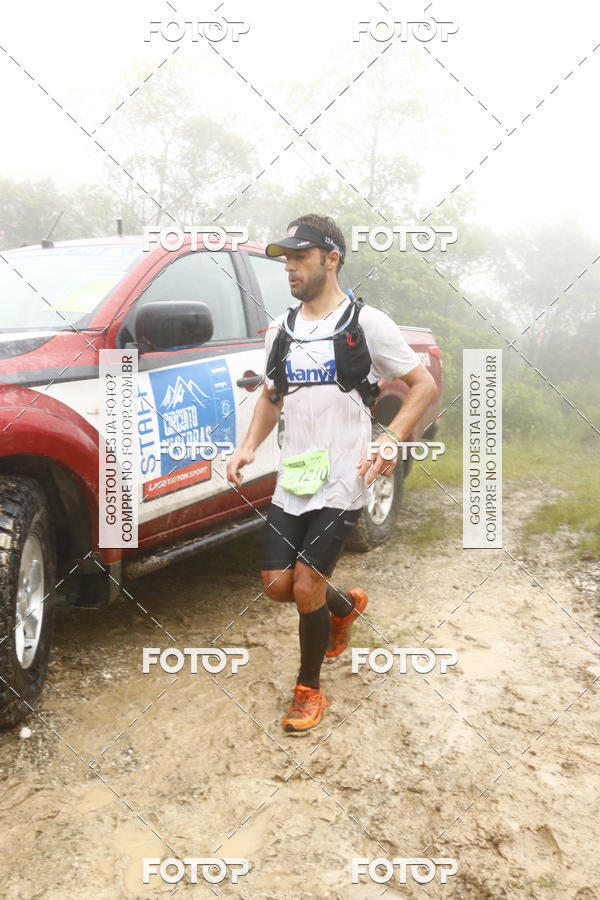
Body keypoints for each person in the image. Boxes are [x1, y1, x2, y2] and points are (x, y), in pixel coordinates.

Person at [226, 214, 437, 733]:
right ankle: (343, 608)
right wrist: (248, 446)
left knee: (305, 587)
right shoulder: (281, 329)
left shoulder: (366, 324)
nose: (290, 268)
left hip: (345, 476)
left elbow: (424, 385)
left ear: (331, 259)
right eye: (286, 259)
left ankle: (308, 690)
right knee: (278, 584)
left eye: (300, 257)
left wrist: (391, 438)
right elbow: (271, 397)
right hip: (296, 475)